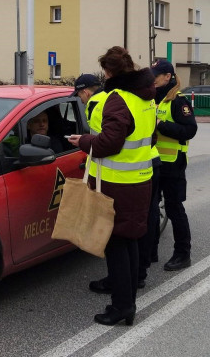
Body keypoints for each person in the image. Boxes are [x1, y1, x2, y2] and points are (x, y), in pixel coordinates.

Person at [67, 46, 156, 326]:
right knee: (128, 243)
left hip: (117, 185)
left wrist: (82, 141)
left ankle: (121, 307)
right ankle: (127, 302)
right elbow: (148, 137)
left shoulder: (118, 99)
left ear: (109, 72)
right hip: (140, 180)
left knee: (116, 246)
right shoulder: (146, 97)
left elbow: (108, 143)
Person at [151, 59, 197, 271]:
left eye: (156, 75)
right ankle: (150, 252)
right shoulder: (155, 99)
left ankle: (182, 254)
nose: (153, 78)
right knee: (151, 208)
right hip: (154, 162)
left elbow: (189, 130)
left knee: (174, 208)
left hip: (173, 164)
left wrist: (161, 125)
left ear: (167, 76)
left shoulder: (179, 101)